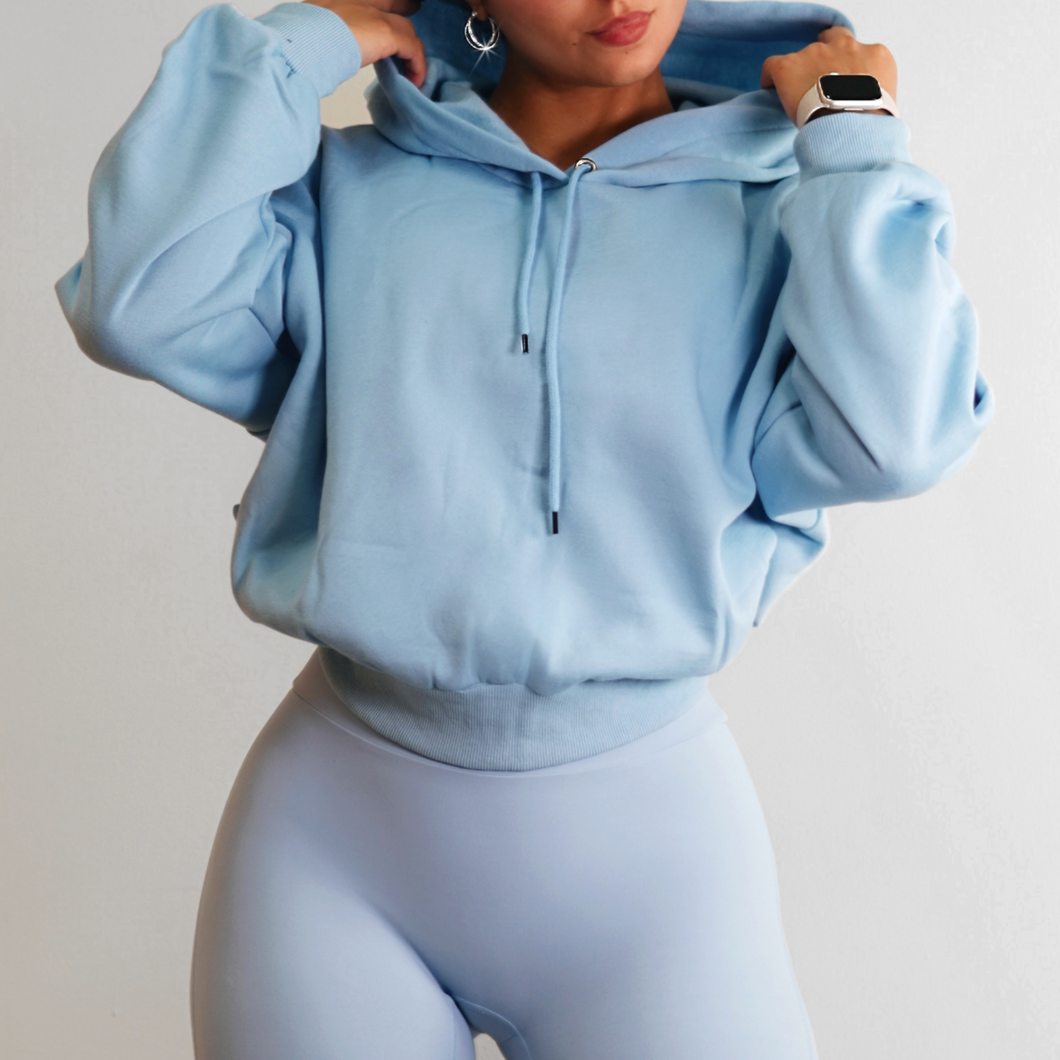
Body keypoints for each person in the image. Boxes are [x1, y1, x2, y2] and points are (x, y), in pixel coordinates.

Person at [55, 0, 993, 1056]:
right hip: (330, 848)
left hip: (650, 877)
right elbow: (137, 303)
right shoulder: (346, 191)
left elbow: (897, 439)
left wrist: (852, 137)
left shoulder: (787, 209)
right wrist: (286, 47)